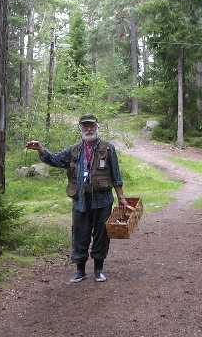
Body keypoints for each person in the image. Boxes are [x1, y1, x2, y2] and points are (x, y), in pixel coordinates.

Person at [26, 114, 133, 283]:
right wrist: (41, 149)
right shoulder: (73, 150)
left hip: (103, 200)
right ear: (81, 129)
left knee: (101, 235)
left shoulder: (108, 148)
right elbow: (54, 160)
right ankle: (80, 271)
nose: (88, 129)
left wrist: (122, 197)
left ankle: (98, 270)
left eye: (91, 126)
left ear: (97, 127)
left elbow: (116, 175)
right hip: (80, 200)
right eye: (85, 126)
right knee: (79, 235)